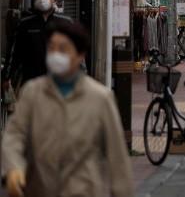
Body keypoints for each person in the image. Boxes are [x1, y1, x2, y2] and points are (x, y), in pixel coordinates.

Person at [2, 21, 133, 196]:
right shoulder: (32, 92)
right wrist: (13, 168)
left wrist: (122, 191)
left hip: (82, 191)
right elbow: (14, 135)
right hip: (39, 189)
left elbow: (117, 157)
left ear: (80, 56)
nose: (56, 54)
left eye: (63, 49)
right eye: (52, 48)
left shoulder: (100, 98)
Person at [3, 0, 72, 90]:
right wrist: (6, 77)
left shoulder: (66, 22)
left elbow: (77, 51)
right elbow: (14, 53)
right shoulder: (24, 24)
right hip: (32, 84)